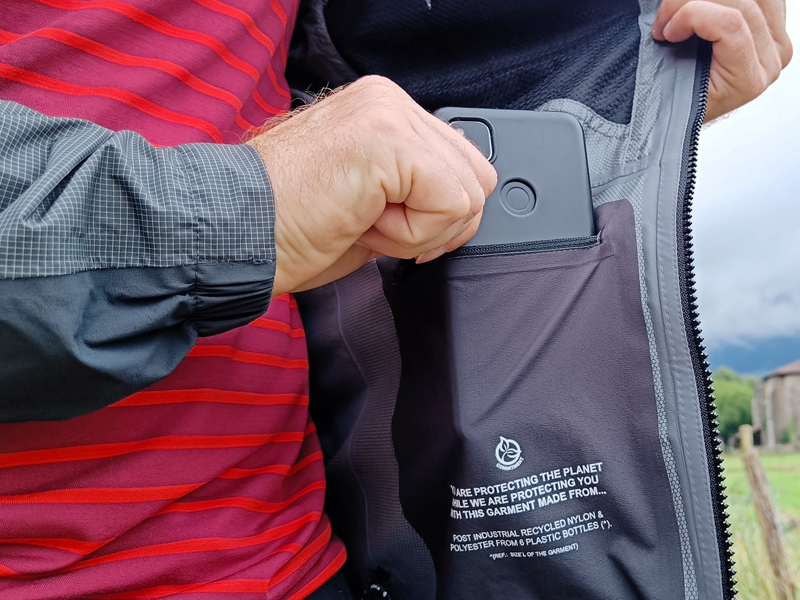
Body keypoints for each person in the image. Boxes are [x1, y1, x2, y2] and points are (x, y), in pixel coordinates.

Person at [0, 0, 791, 598]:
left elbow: (384, 85)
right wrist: (236, 209)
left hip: (306, 566)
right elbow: (279, 181)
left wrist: (630, 82)